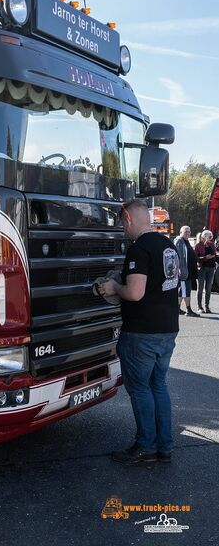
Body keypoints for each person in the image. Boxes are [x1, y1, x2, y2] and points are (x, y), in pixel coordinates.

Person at [99, 199, 179, 465]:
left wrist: (113, 288)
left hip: (141, 333)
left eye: (123, 223)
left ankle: (145, 446)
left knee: (141, 389)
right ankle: (164, 447)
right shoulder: (169, 246)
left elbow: (134, 292)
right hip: (167, 330)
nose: (123, 229)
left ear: (130, 221)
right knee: (159, 385)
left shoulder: (139, 249)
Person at [174, 226, 199, 317]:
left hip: (188, 271)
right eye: (186, 231)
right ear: (181, 232)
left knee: (182, 291)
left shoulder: (186, 241)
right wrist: (181, 271)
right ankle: (189, 310)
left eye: (189, 231)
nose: (188, 233)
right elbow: (179, 258)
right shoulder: (179, 241)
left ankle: (177, 308)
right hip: (184, 272)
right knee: (186, 291)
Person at [194, 230, 217, 314]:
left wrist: (213, 256)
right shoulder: (198, 245)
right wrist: (205, 257)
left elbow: (214, 253)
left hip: (211, 268)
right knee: (200, 288)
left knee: (208, 288)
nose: (210, 238)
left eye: (211, 237)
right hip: (202, 268)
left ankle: (207, 306)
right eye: (209, 236)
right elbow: (195, 258)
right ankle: (199, 307)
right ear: (204, 236)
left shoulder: (211, 244)